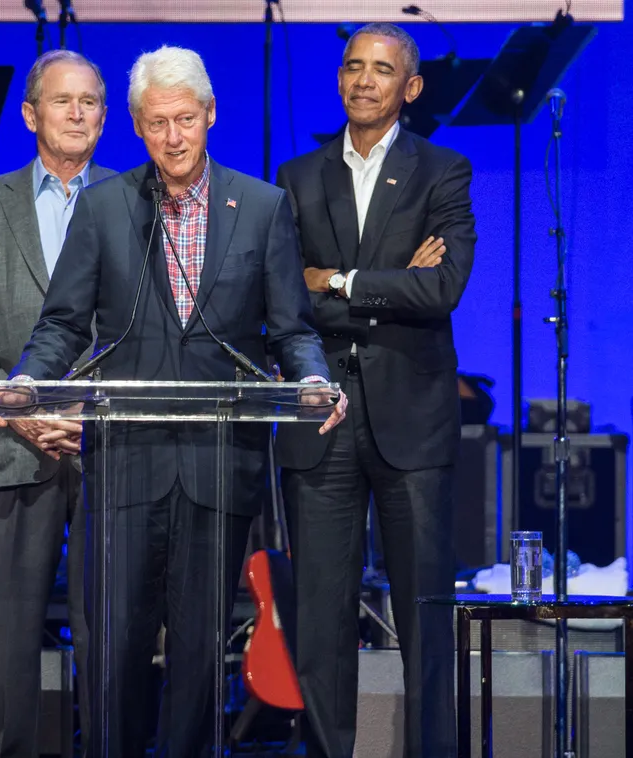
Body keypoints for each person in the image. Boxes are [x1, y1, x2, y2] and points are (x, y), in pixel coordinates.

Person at [0, 46, 345, 757]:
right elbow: (62, 324)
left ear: (210, 115)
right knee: (116, 641)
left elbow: (290, 330)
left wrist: (310, 380)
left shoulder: (259, 207)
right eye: (157, 124)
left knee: (198, 644)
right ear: (135, 126)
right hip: (125, 462)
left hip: (219, 465)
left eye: (185, 119)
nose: (173, 137)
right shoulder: (103, 207)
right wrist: (30, 381)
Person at [274, 22, 475, 758]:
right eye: (352, 66)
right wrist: (395, 283)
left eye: (381, 69)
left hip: (411, 421)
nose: (363, 79)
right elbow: (283, 302)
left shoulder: (442, 171)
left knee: (424, 613)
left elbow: (444, 287)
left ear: (409, 87)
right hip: (319, 419)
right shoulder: (295, 178)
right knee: (321, 617)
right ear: (338, 79)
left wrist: (338, 278)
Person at [0, 48, 114, 758]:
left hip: (107, 443)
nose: (76, 113)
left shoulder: (134, 200)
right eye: (62, 100)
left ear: (104, 117)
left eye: (90, 101)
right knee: (8, 635)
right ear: (30, 114)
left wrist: (87, 412)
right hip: (12, 446)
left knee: (110, 628)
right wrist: (15, 409)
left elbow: (149, 323)